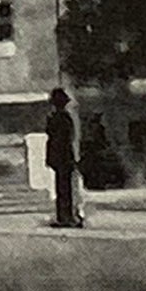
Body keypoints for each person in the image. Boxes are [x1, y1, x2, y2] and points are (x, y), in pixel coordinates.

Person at [44, 84, 86, 232]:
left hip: (61, 157)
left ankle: (66, 216)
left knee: (64, 189)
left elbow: (56, 138)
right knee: (66, 188)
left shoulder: (57, 118)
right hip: (64, 157)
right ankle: (67, 216)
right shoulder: (64, 118)